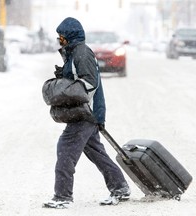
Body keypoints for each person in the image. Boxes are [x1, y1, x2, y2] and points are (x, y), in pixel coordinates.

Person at [43, 17, 130, 209]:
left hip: (84, 113)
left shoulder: (81, 53)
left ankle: (62, 196)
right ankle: (120, 187)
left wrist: (65, 89)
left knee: (65, 149)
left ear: (70, 36)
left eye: (62, 37)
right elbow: (79, 79)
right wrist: (64, 77)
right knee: (97, 153)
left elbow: (90, 83)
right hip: (85, 112)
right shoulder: (74, 53)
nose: (60, 40)